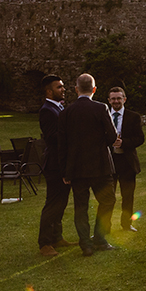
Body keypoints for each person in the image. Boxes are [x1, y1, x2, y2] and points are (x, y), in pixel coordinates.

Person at [58, 73, 118, 256]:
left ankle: (86, 244)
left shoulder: (66, 112)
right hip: (100, 164)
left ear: (76, 89)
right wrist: (101, 143)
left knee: (81, 207)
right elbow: (113, 136)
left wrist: (65, 171)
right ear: (94, 89)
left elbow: (62, 144)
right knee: (108, 201)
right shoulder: (101, 108)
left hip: (77, 167)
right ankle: (99, 238)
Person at [36, 74, 78, 257]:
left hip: (64, 162)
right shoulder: (47, 111)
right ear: (49, 91)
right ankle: (44, 243)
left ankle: (57, 237)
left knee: (61, 202)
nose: (63, 89)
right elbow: (52, 138)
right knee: (53, 203)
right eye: (59, 87)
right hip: (55, 165)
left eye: (63, 86)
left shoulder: (59, 108)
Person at [108, 86, 145, 232]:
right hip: (109, 161)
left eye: (119, 98)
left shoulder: (133, 116)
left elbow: (140, 138)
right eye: (113, 98)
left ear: (124, 99)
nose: (116, 101)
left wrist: (124, 143)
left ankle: (126, 224)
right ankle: (105, 227)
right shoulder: (104, 116)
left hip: (127, 162)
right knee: (107, 197)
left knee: (128, 196)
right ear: (109, 100)